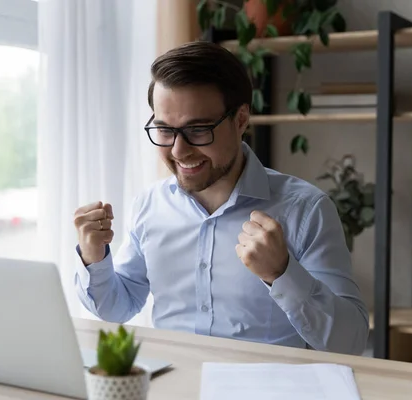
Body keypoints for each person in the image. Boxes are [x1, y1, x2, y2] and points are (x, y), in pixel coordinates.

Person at [73, 41, 369, 355]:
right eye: (164, 130)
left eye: (198, 130)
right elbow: (118, 307)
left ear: (241, 120)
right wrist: (94, 258)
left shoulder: (306, 210)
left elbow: (349, 342)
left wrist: (282, 273)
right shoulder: (149, 205)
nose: (178, 150)